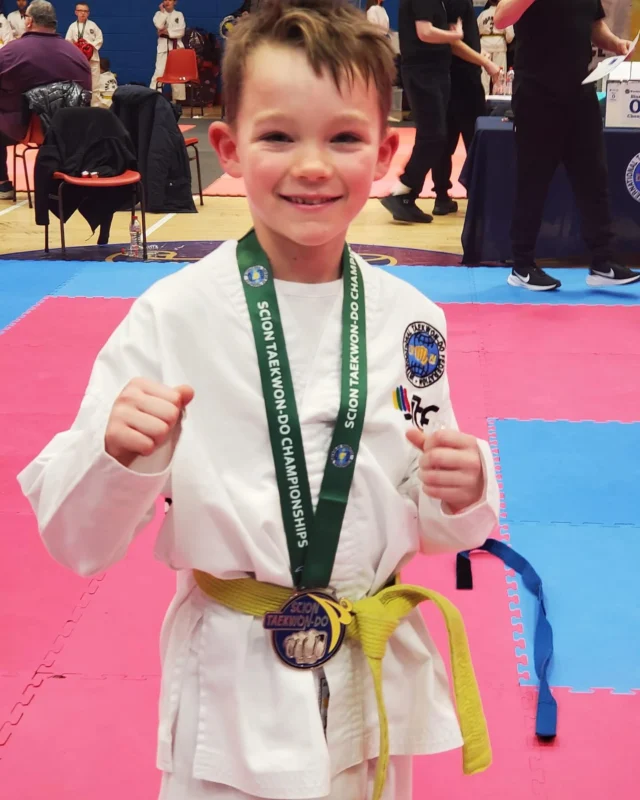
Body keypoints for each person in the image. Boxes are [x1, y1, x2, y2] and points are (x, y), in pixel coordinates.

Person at [18, 1, 499, 798]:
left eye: (343, 138)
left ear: (384, 153)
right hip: (233, 684)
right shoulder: (172, 316)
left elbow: (425, 492)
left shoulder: (414, 321)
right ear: (228, 149)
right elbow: (77, 542)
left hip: (369, 677)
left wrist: (467, 486)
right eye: (278, 136)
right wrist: (115, 455)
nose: (312, 165)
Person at [495, 0, 640, 290]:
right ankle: (521, 265)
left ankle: (603, 262)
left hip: (580, 88)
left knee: (594, 178)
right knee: (532, 181)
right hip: (537, 94)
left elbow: (594, 24)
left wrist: (616, 43)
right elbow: (500, 18)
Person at [380, 0, 464, 223]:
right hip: (423, 73)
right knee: (433, 136)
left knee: (434, 136)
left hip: (433, 71)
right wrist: (454, 36)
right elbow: (425, 32)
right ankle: (402, 191)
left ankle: (406, 193)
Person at [0, 0, 91, 199]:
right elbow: (86, 95)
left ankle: (3, 184)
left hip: (22, 129)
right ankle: (63, 179)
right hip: (66, 130)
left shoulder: (10, 52)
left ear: (29, 21)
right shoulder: (77, 54)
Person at [432, 0, 500, 215]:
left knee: (446, 141)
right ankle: (475, 194)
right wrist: (485, 62)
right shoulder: (457, 2)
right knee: (475, 139)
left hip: (447, 78)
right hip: (464, 78)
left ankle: (442, 196)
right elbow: (454, 43)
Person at [65, 2, 103, 106]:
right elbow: (68, 42)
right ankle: (78, 105)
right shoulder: (72, 27)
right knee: (78, 83)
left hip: (92, 59)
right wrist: (77, 47)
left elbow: (100, 39)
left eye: (85, 11)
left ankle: (95, 106)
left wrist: (90, 46)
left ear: (88, 13)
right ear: (76, 12)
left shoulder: (93, 25)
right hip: (78, 60)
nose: (83, 13)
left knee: (95, 84)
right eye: (80, 11)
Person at [151, 0, 186, 103]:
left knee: (177, 74)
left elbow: (181, 32)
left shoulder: (179, 15)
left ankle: (178, 101)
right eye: (165, 0)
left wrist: (167, 32)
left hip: (176, 47)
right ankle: (154, 97)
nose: (167, 2)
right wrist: (162, 11)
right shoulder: (158, 14)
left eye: (170, 0)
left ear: (175, 2)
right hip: (163, 47)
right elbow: (159, 26)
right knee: (159, 72)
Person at [477, 0, 514, 95]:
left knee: (483, 77)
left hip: (484, 45)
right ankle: (499, 98)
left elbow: (475, 31)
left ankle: (483, 97)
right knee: (500, 75)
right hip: (499, 45)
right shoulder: (503, 12)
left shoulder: (482, 14)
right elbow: (510, 35)